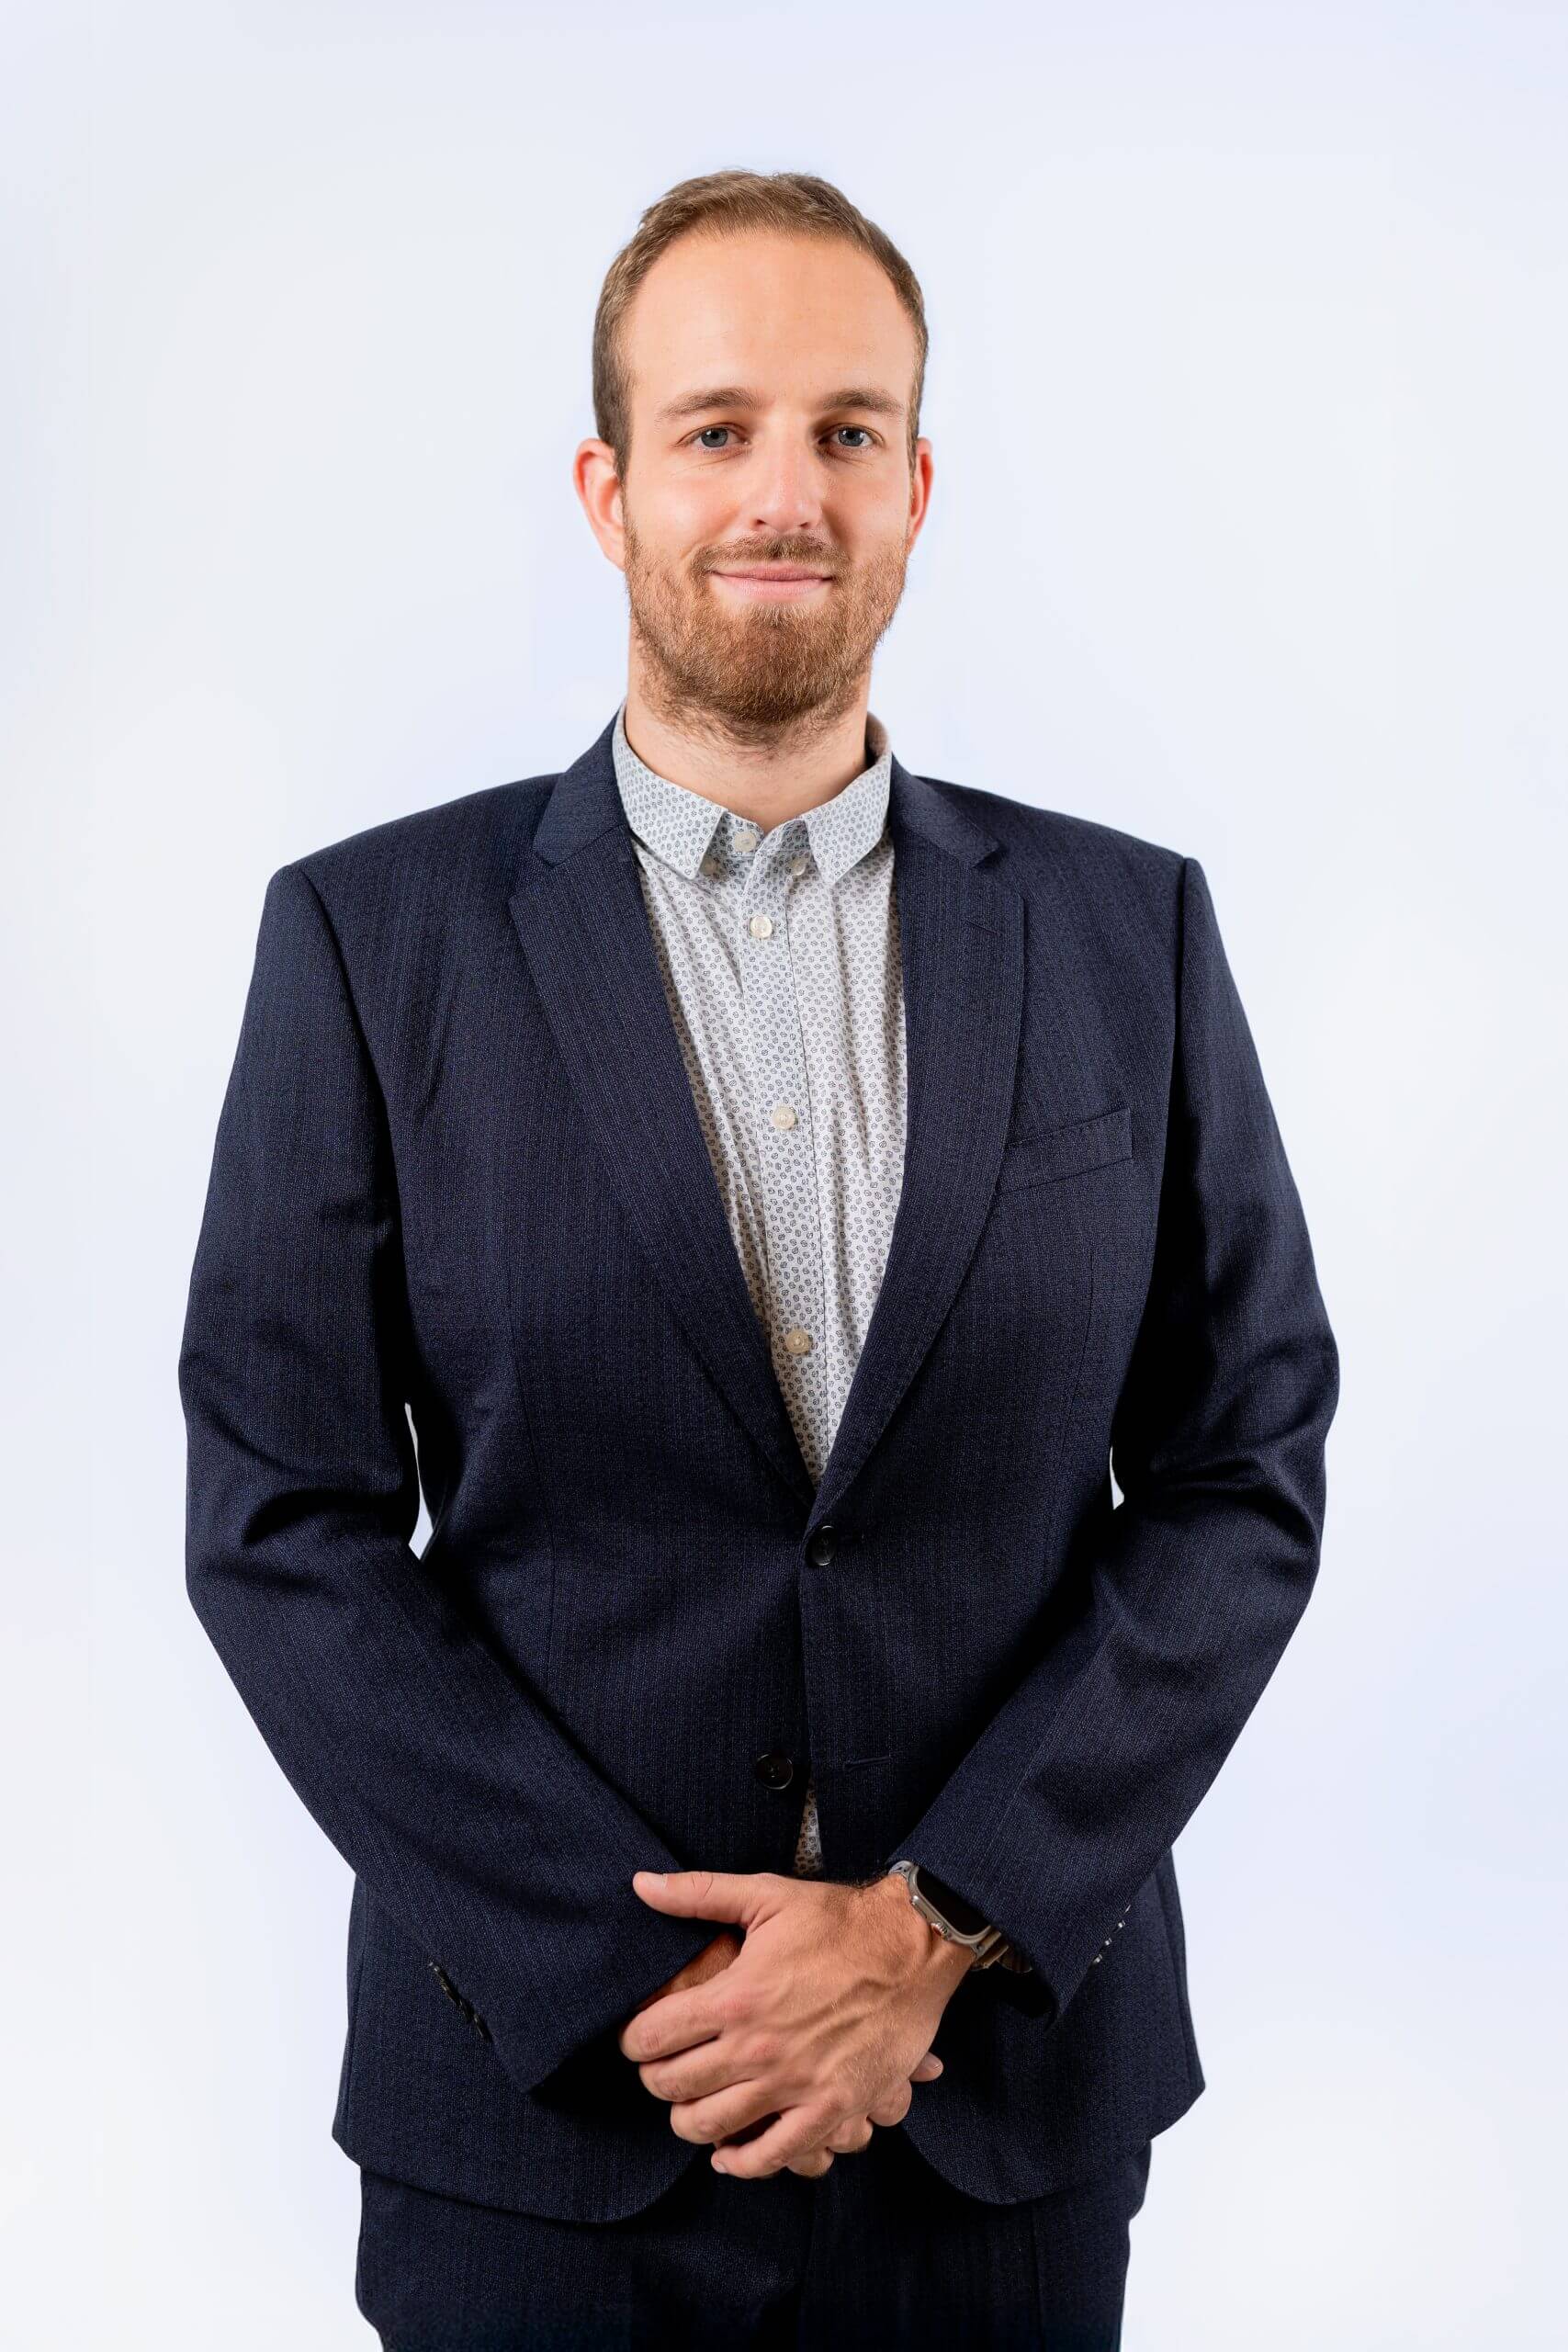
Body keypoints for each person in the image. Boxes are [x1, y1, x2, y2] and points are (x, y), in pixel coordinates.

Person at [179, 167, 1340, 2349]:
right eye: (715, 428)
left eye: (843, 430)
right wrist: (669, 1983)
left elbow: (1238, 1469)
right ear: (607, 487)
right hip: (538, 2132)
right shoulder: (365, 942)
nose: (783, 492)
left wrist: (935, 1925)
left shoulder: (1129, 934)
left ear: (916, 486)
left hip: (993, 2112)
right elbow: (282, 1520)